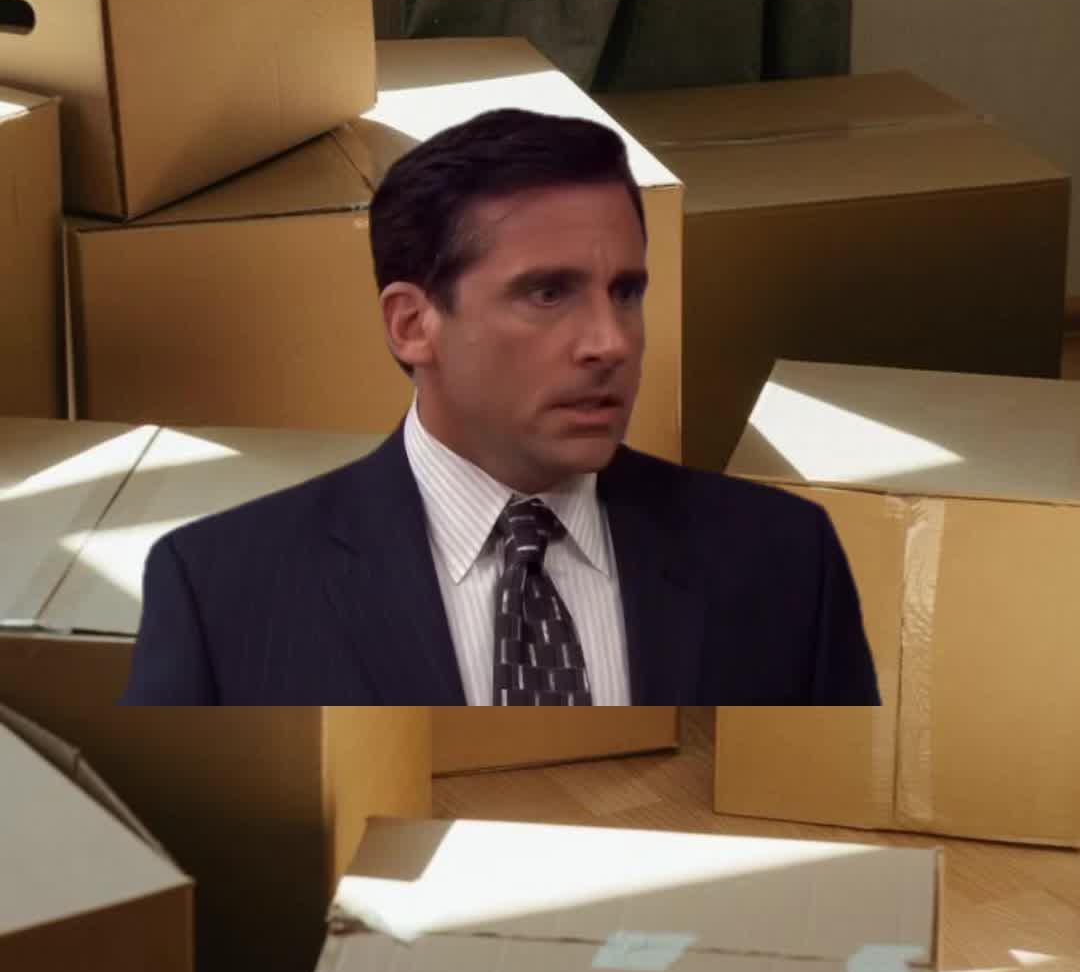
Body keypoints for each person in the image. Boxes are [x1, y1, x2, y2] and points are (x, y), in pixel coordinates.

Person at [122, 108, 880, 706]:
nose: (611, 342)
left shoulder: (785, 559)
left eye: (626, 292)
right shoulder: (220, 591)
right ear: (412, 324)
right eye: (548, 293)